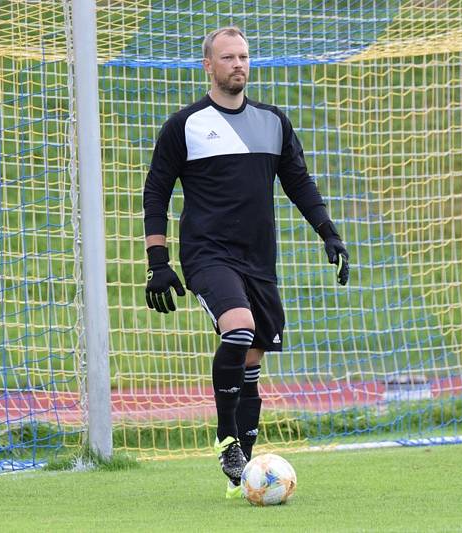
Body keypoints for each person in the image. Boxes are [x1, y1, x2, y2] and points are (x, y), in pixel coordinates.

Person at [143, 26, 349, 499]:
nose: (239, 64)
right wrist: (159, 260)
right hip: (207, 255)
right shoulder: (185, 125)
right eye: (228, 57)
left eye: (244, 56)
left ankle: (247, 470)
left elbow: (299, 183)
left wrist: (329, 234)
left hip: (259, 260)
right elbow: (156, 191)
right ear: (208, 66)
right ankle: (227, 439)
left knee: (252, 355)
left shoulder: (273, 122)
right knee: (237, 328)